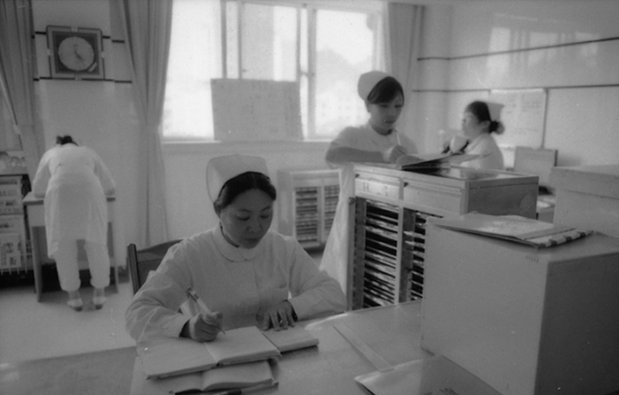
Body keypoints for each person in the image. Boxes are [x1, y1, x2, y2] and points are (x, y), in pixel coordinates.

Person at [125, 154, 345, 343]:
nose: (256, 227)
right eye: (243, 217)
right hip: (220, 359)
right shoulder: (190, 253)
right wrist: (186, 326)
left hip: (280, 352)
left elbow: (334, 296)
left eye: (266, 215)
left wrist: (291, 306)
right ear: (218, 211)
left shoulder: (283, 247)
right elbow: (138, 313)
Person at [321, 71, 418, 295]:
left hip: (391, 223)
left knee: (381, 286)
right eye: (384, 106)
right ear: (367, 105)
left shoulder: (407, 144)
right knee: (348, 283)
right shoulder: (352, 134)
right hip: (355, 219)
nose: (392, 113)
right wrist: (382, 155)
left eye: (398, 106)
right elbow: (332, 155)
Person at [32, 135, 116, 311]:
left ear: (58, 144)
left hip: (59, 196)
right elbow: (110, 186)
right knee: (96, 245)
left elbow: (38, 190)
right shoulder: (88, 152)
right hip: (90, 195)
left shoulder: (50, 153)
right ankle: (99, 294)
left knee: (63, 248)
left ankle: (74, 297)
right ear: (75, 144)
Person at [444, 100, 505, 170]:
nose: (463, 121)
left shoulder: (485, 150)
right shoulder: (477, 146)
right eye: (463, 118)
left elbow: (470, 175)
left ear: (485, 124)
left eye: (468, 117)